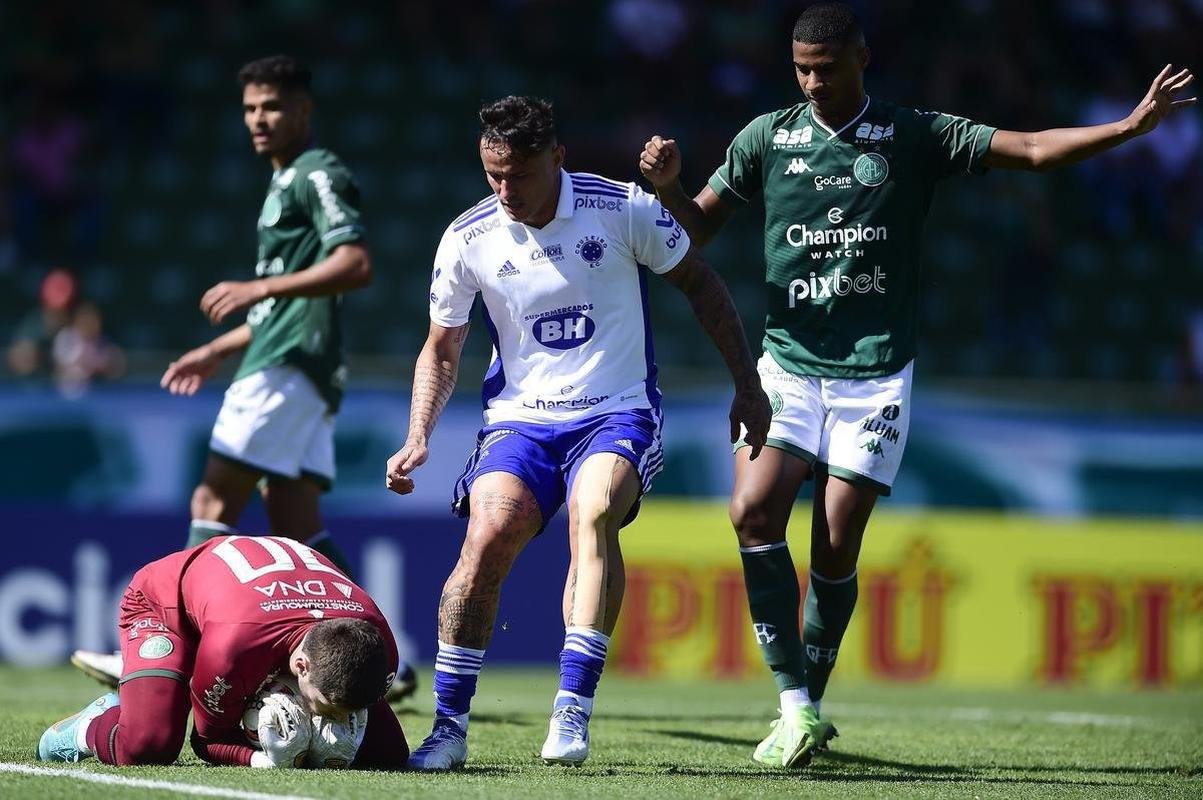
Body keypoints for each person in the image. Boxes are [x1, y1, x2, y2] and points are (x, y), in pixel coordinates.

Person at [638, 1, 1195, 770]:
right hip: (789, 362)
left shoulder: (911, 133)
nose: (810, 83)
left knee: (833, 546)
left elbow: (1029, 148)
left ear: (861, 59)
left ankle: (809, 705)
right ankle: (794, 705)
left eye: (825, 70)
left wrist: (1128, 129)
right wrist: (667, 190)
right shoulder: (766, 138)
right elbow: (696, 231)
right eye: (800, 69)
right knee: (751, 509)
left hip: (874, 372)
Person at [386, 95, 770, 769]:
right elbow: (442, 347)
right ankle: (447, 728)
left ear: (556, 158)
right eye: (491, 175)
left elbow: (702, 286)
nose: (504, 191)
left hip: (615, 409)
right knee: (486, 536)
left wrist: (746, 383)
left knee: (592, 514)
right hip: (521, 421)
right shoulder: (468, 238)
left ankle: (571, 708)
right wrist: (419, 433)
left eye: (518, 175)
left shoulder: (619, 207)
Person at [161, 54, 370, 574]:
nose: (258, 118)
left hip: (288, 366)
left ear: (304, 110)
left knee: (211, 502)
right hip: (299, 364)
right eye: (250, 108)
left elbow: (355, 261)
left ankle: (172, 648)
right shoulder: (283, 183)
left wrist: (259, 287)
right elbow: (280, 305)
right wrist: (215, 350)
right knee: (296, 526)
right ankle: (381, 656)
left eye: (272, 106)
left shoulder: (316, 173)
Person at [36, 535, 408, 769]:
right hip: (169, 609)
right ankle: (88, 726)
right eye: (324, 710)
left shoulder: (378, 647)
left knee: (388, 755)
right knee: (148, 745)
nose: (328, 722)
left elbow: (364, 718)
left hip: (245, 613)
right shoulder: (235, 649)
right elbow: (208, 740)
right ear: (301, 665)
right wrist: (260, 758)